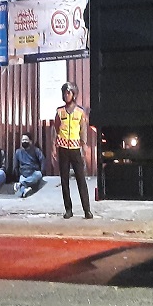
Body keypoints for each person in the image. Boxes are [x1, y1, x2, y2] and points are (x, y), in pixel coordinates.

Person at [52, 82, 92, 219]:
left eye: (68, 93)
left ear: (74, 94)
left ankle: (87, 210)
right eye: (64, 93)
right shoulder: (59, 111)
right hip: (63, 149)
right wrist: (54, 147)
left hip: (76, 150)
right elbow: (55, 130)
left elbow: (83, 130)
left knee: (81, 179)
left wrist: (84, 145)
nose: (66, 95)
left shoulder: (80, 112)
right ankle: (68, 210)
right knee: (64, 181)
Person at [13, 132, 44, 198]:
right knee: (22, 181)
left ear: (30, 141)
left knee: (39, 174)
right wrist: (17, 175)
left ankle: (20, 184)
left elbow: (42, 160)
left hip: (33, 172)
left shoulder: (36, 150)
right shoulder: (18, 152)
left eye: (26, 140)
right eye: (23, 140)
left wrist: (42, 171)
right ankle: (24, 191)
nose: (24, 141)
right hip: (23, 174)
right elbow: (15, 165)